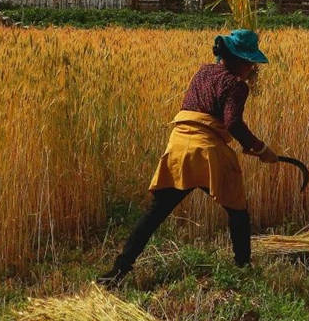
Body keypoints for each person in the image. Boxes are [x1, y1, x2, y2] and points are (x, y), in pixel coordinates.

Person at [97, 29, 278, 288]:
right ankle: (243, 269)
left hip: (178, 147)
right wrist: (260, 149)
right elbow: (233, 122)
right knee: (238, 212)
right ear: (243, 61)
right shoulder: (237, 86)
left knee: (154, 214)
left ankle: (117, 271)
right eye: (251, 63)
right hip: (207, 153)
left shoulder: (204, 72)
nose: (252, 68)